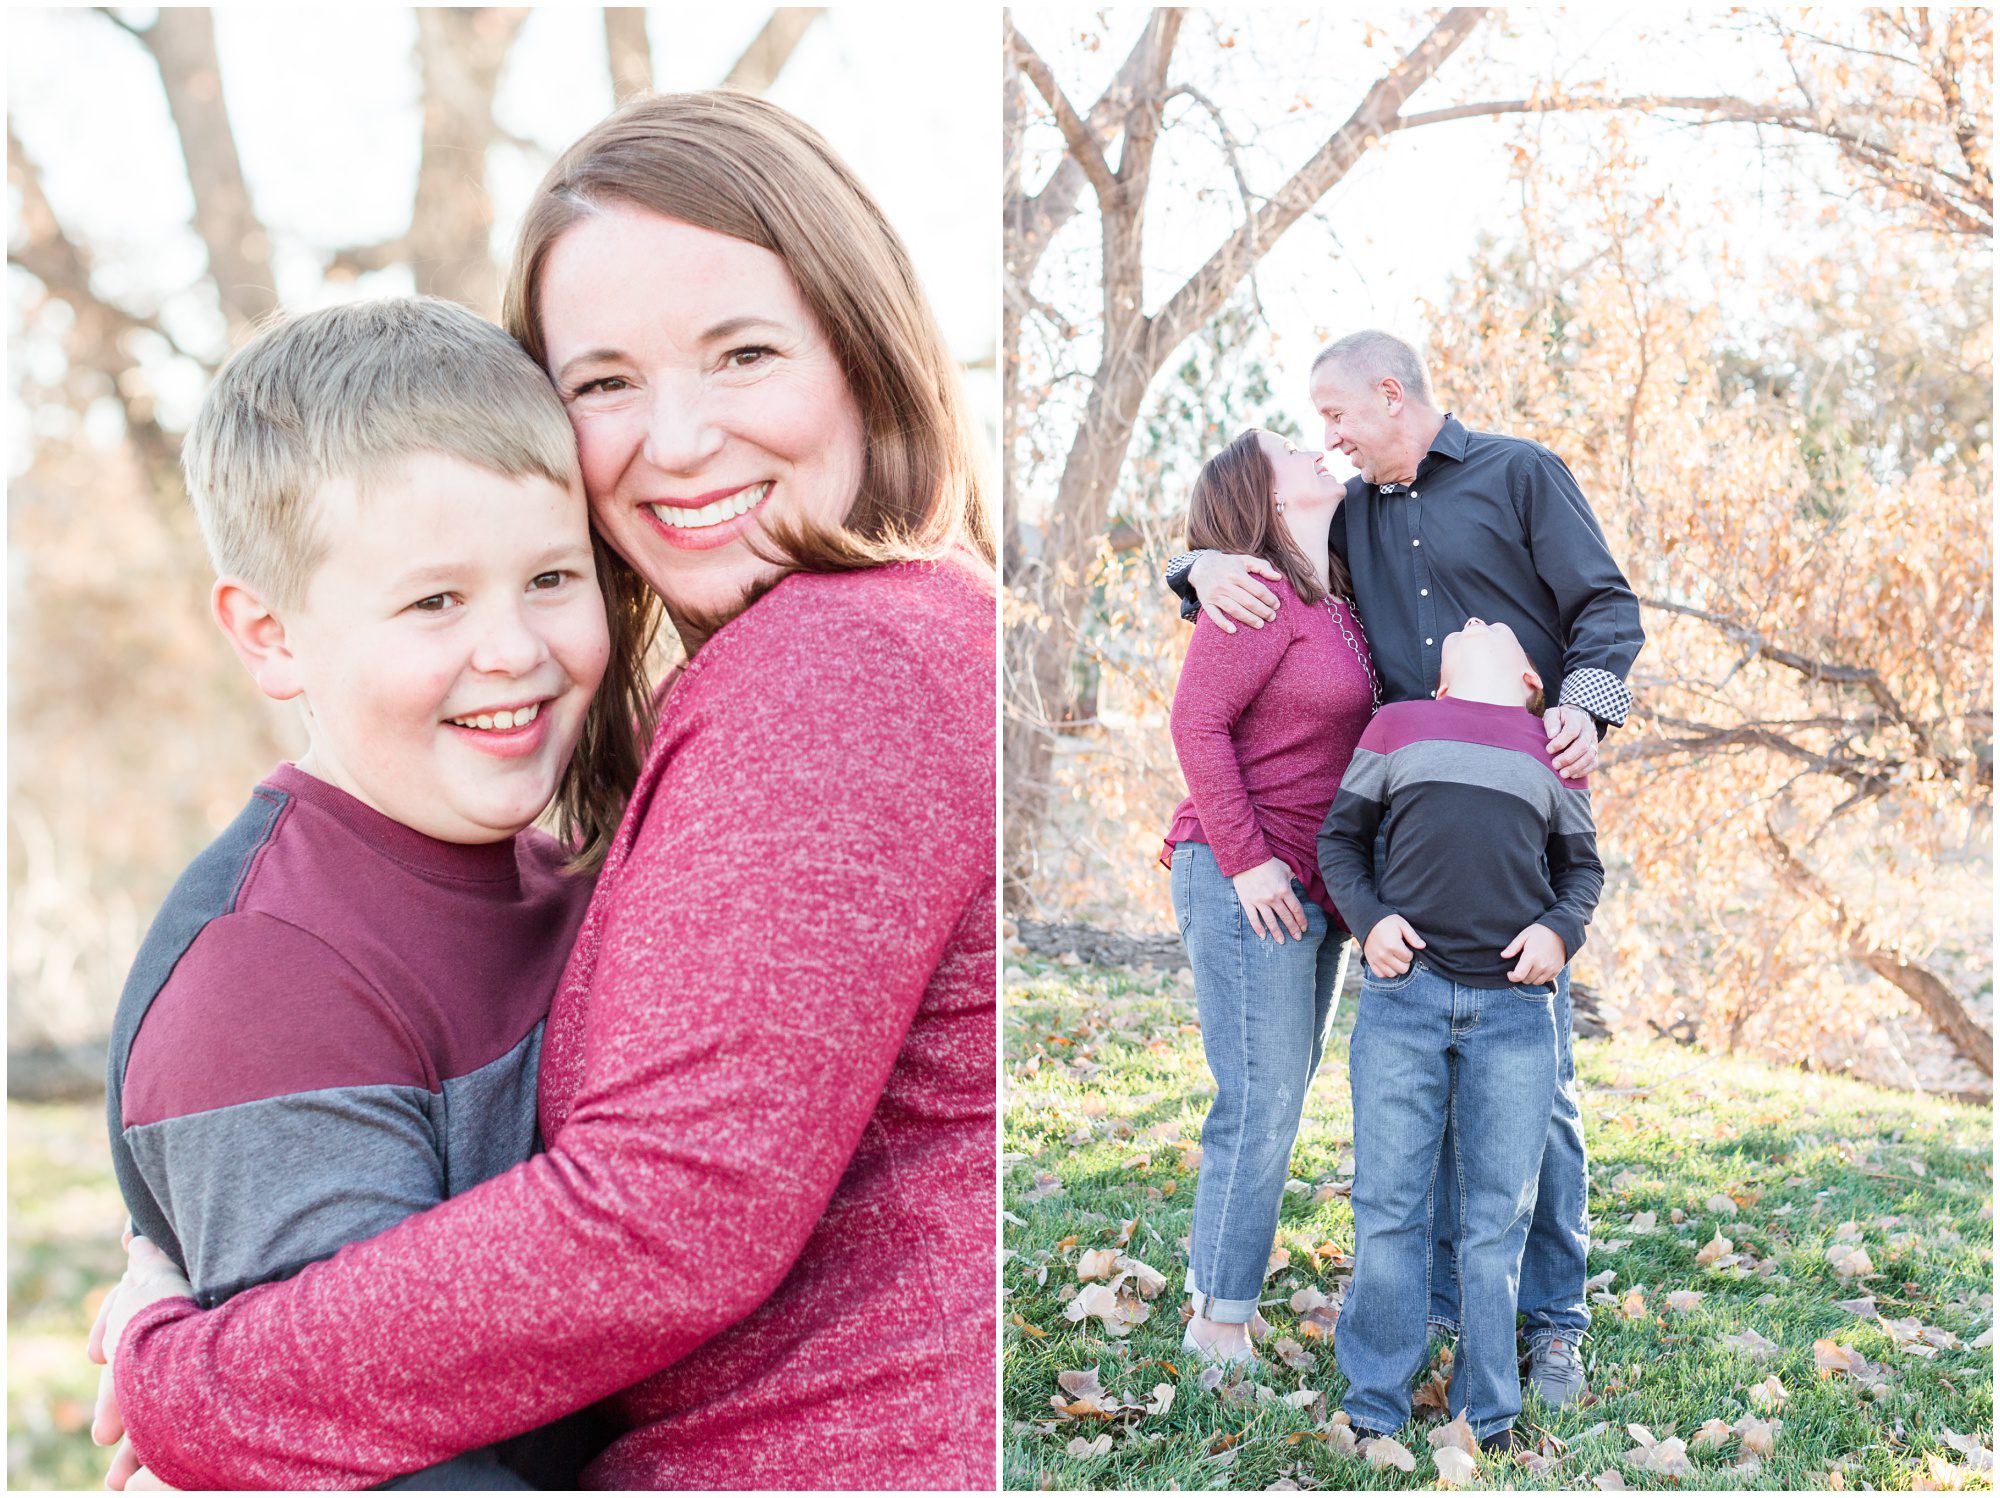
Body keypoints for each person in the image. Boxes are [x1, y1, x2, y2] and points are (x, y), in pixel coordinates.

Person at [90, 91, 996, 1491]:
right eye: (605, 382)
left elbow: (660, 1216)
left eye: (744, 352)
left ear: (862, 350)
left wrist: (192, 1379)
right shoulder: (789, 687)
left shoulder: (840, 660)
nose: (679, 439)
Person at [102, 296, 610, 1491]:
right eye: (435, 601)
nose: (512, 647)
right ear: (271, 635)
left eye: (551, 575)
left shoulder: (565, 866)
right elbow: (370, 1447)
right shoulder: (268, 980)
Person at [1167, 330, 1643, 1402]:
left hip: (1517, 814)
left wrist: (1584, 705)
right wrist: (1191, 565)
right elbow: (1253, 581)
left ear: (1390, 395)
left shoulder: (1519, 474)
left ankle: (1551, 1324)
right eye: (1315, 431)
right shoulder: (1356, 516)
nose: (1325, 442)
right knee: (1416, 1071)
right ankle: (1429, 1306)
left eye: (1334, 418)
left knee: (1540, 1083)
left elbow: (1606, 609)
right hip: (1396, 831)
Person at [1317, 617, 1603, 1451]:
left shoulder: (1552, 750)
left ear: (1529, 682)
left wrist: (1558, 932)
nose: (1475, 619)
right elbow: (1341, 840)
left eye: (1495, 627)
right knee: (1387, 1205)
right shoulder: (1396, 724)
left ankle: (1491, 1410)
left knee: (1495, 1217)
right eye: (1465, 625)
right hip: (1404, 998)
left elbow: (1582, 869)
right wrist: (1368, 922)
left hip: (1514, 1014)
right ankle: (1374, 1404)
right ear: (1439, 682)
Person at [1161, 429, 1377, 1367]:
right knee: (1258, 1099)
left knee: (1279, 1095)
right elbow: (1195, 723)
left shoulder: (1341, 599)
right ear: (1265, 491)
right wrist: (1249, 862)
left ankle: (1223, 1294)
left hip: (1317, 887)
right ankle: (1217, 1322)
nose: (1319, 447)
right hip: (1244, 872)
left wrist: (1191, 562)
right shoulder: (1256, 594)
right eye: (1293, 446)